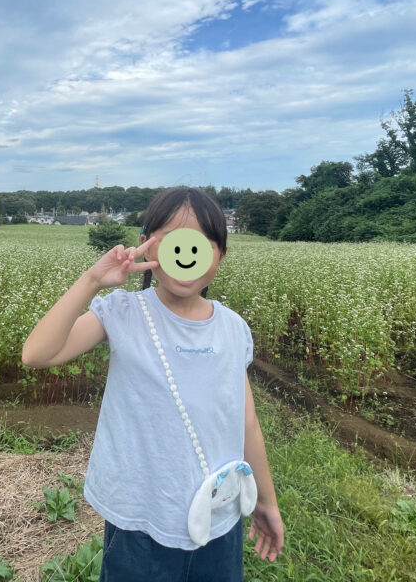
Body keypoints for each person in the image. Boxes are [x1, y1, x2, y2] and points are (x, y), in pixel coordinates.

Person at [22, 187, 284, 581]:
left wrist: (267, 500)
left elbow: (244, 422)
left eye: (200, 242)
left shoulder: (233, 328)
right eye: (171, 241)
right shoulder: (122, 311)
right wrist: (93, 280)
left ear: (220, 254)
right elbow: (37, 354)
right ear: (147, 247)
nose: (185, 254)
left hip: (219, 517)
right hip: (139, 522)